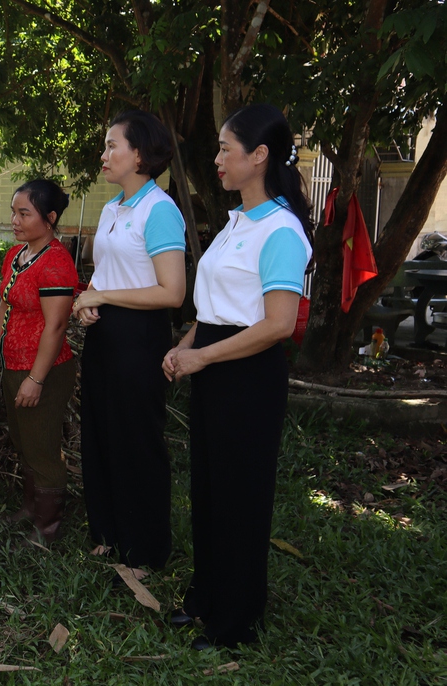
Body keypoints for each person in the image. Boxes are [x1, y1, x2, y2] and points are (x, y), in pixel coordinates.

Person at [162, 103, 313, 650]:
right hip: (213, 362)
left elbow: (275, 324)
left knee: (241, 497)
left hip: (246, 375)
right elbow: (217, 305)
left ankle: (235, 621)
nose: (218, 158)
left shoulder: (282, 231)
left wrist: (204, 356)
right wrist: (187, 345)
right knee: (208, 489)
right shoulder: (238, 223)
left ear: (260, 156)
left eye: (227, 148)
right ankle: (207, 597)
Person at [72, 111, 186, 579]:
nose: (104, 155)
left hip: (139, 338)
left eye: (111, 145)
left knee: (136, 439)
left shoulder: (159, 209)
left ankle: (145, 549)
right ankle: (108, 534)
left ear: (138, 154)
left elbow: (172, 292)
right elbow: (104, 273)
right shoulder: (113, 207)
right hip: (104, 333)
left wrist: (102, 295)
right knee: (100, 433)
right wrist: (87, 301)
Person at [0, 180, 78, 544]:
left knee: (42, 447)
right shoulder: (17, 255)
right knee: (24, 441)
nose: (14, 220)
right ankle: (32, 507)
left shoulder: (55, 262)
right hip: (14, 364)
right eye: (13, 211)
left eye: (24, 213)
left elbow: (56, 325)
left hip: (44, 369)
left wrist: (36, 379)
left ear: (49, 218)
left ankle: (47, 529)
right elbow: (4, 304)